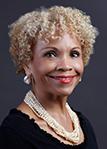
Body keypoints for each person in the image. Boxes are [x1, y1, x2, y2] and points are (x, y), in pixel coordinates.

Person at [0, 6, 99, 149]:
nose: (65, 66)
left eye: (74, 54)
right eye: (51, 54)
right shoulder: (14, 133)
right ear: (27, 64)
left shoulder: (83, 125)